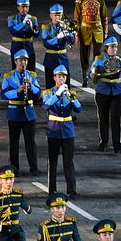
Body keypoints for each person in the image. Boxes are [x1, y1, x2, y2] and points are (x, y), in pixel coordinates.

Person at [43, 67, 82, 197]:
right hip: (53, 130)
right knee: (52, 162)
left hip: (68, 131)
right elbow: (46, 106)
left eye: (64, 76)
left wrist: (71, 98)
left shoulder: (71, 93)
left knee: (68, 162)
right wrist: (57, 94)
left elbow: (78, 109)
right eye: (59, 76)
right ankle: (52, 189)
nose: (61, 79)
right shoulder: (48, 93)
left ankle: (71, 190)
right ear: (54, 77)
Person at [0, 50, 40, 174]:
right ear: (15, 61)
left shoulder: (32, 76)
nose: (23, 63)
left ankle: (34, 168)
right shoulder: (9, 76)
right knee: (14, 142)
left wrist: (31, 87)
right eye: (21, 60)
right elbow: (3, 94)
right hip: (15, 113)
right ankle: (14, 168)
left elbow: (38, 92)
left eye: (25, 60)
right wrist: (16, 91)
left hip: (29, 113)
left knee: (30, 142)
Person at [90, 37, 121, 153]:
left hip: (116, 92)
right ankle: (103, 143)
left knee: (116, 119)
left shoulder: (120, 60)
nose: (114, 49)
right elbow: (92, 75)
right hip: (102, 92)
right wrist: (98, 69)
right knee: (103, 119)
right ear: (106, 48)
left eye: (115, 47)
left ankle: (117, 145)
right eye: (112, 47)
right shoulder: (99, 59)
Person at [73, 0, 107, 77]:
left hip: (98, 31)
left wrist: (105, 32)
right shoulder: (80, 1)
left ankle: (96, 72)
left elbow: (104, 17)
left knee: (98, 54)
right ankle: (85, 74)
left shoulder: (100, 0)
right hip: (84, 30)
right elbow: (76, 19)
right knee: (84, 54)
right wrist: (76, 33)